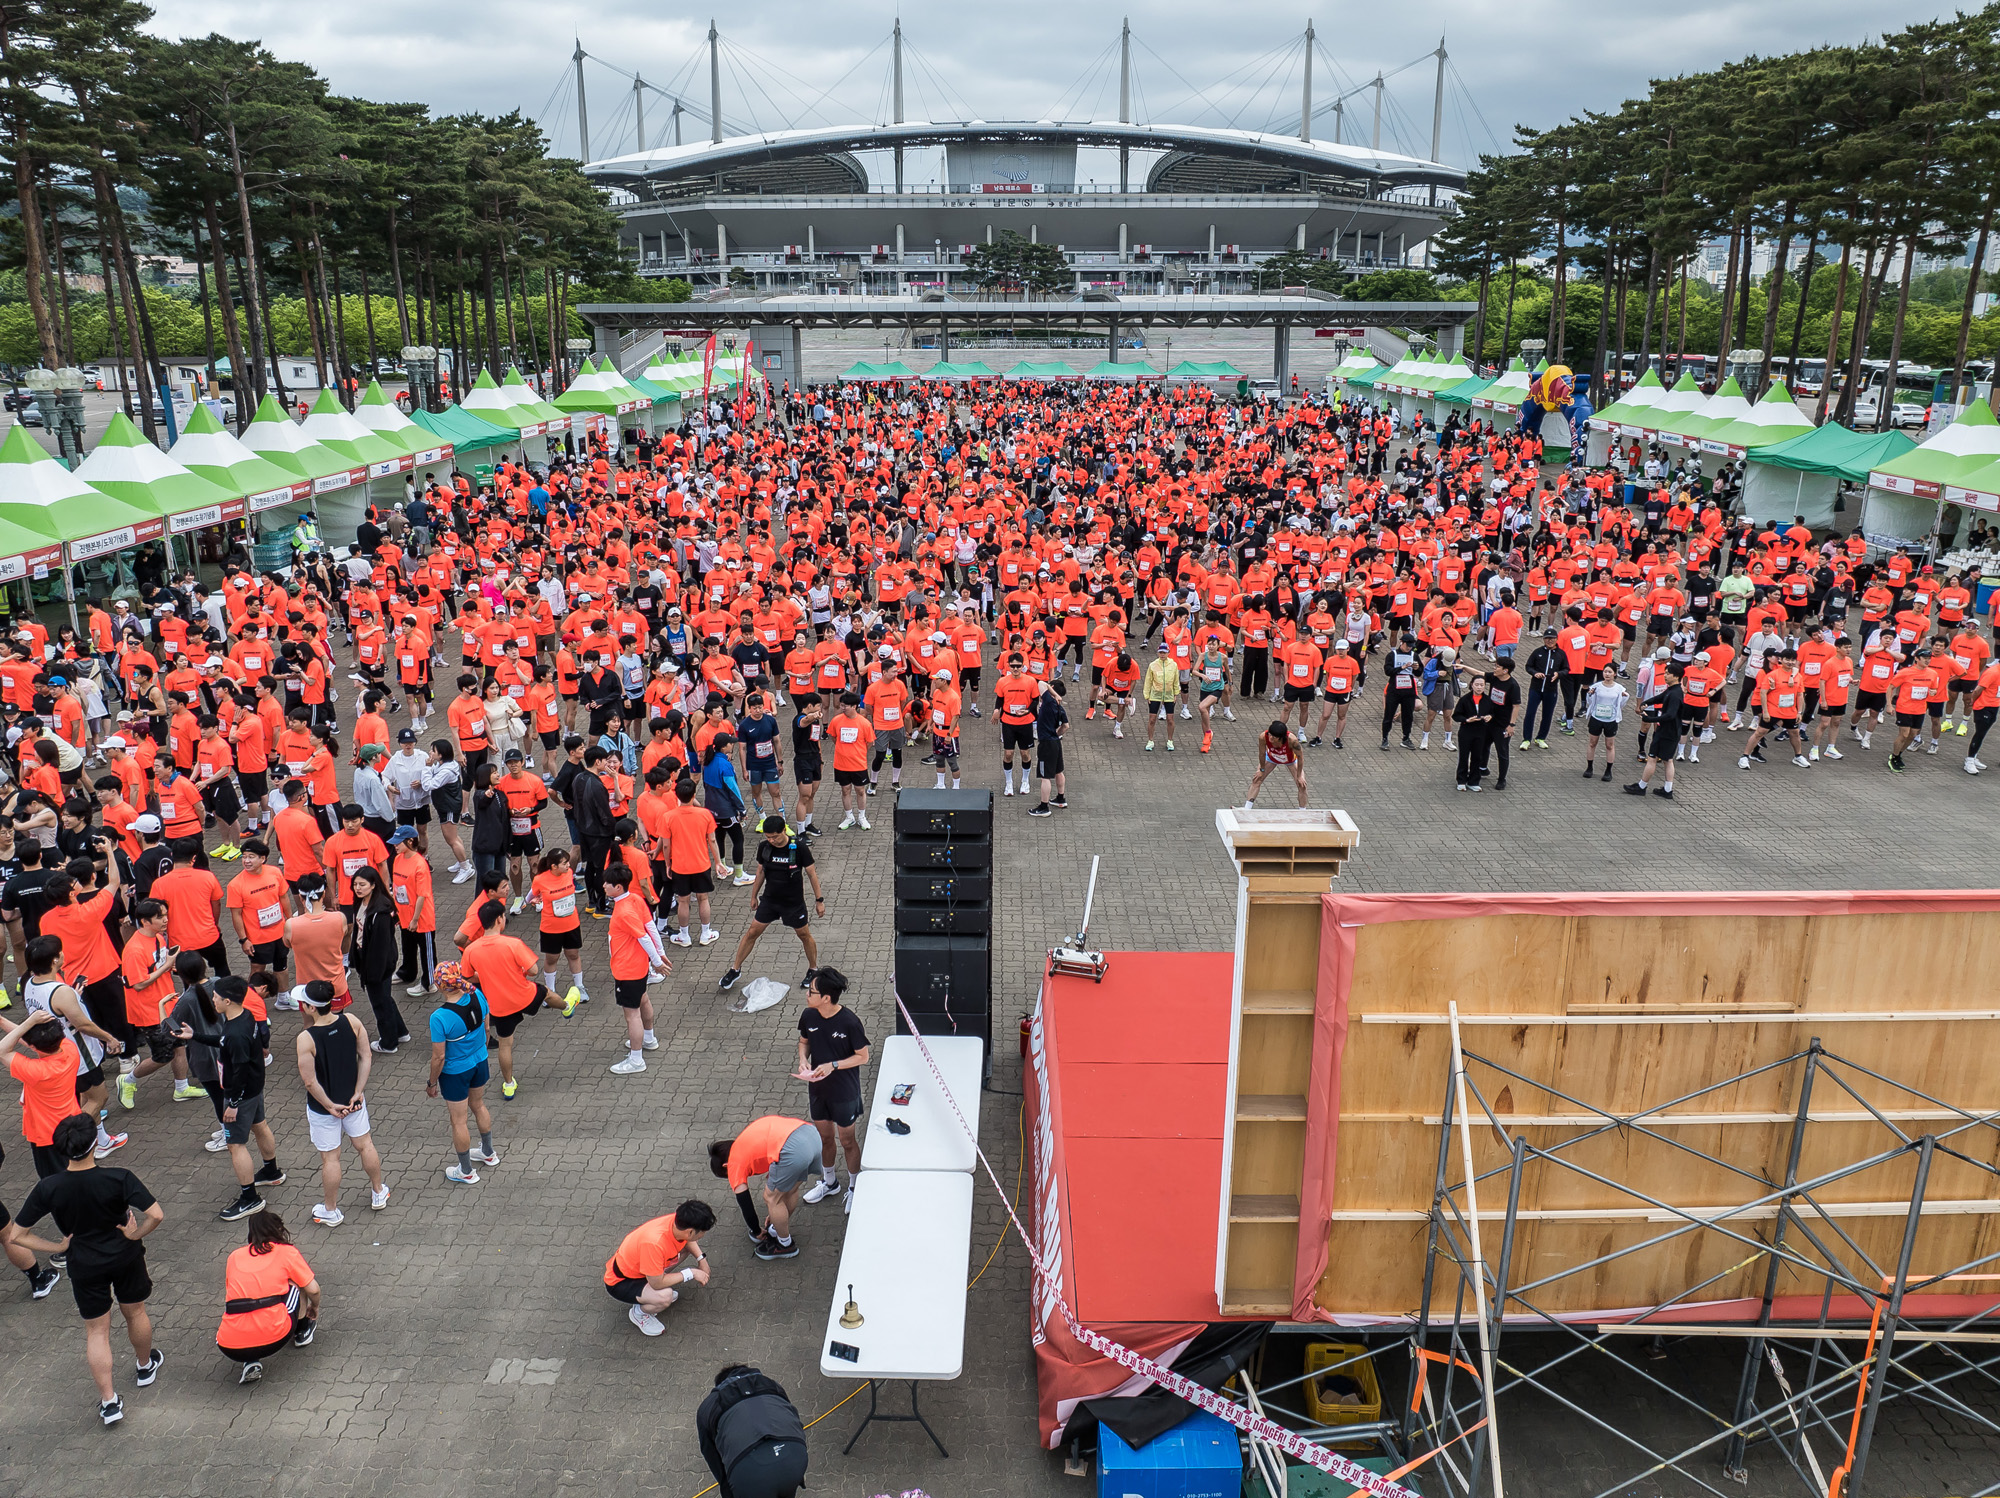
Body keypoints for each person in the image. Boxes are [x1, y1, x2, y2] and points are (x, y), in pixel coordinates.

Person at [2, 1112, 165, 1426]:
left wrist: (59, 1247)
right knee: (136, 1312)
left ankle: (109, 1401)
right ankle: (145, 1366)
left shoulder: (49, 1187)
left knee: (97, 1331)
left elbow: (16, 1234)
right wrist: (134, 1234)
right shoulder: (119, 1177)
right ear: (94, 1145)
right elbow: (156, 1215)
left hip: (83, 1263)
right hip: (125, 1256)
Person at [459, 900, 571, 1100]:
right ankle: (566, 1007)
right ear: (499, 920)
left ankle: (509, 1084)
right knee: (545, 992)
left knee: (505, 1044)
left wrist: (484, 976)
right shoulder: (513, 944)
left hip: (498, 1006)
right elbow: (534, 970)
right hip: (524, 995)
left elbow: (467, 977)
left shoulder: (471, 950)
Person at [716, 816, 825, 993]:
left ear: (784, 831)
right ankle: (735, 970)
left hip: (793, 902)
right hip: (770, 900)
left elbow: (812, 874)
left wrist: (819, 901)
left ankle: (813, 969)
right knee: (752, 932)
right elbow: (760, 871)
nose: (771, 840)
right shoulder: (764, 847)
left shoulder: (799, 847)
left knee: (804, 935)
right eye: (768, 837)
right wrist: (754, 896)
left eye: (774, 836)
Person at [215, 1210, 321, 1385]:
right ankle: (302, 1331)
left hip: (228, 1345)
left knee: (243, 1301)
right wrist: (314, 1307)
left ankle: (250, 1362)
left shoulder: (234, 1256)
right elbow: (314, 1290)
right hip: (274, 1338)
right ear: (279, 1229)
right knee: (298, 1284)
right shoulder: (286, 1252)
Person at [794, 969, 867, 1214]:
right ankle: (829, 1182)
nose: (807, 994)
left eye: (812, 991)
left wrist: (833, 1065)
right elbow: (804, 1042)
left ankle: (855, 1187)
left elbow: (862, 1057)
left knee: (847, 1141)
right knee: (825, 1139)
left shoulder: (849, 1022)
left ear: (826, 997)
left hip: (844, 1092)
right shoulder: (809, 1015)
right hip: (817, 1090)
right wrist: (803, 1060)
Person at [214, 975, 286, 1222]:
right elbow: (227, 1043)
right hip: (255, 1088)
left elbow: (239, 1068)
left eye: (215, 996)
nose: (212, 999)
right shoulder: (245, 1017)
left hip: (240, 1095)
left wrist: (233, 1103)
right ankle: (271, 1170)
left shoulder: (235, 1032)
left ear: (227, 1000)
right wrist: (195, 1036)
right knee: (259, 1125)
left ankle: (250, 1198)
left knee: (235, 1144)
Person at [708, 1114, 821, 1259]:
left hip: (793, 1150)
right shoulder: (745, 1139)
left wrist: (756, 1230)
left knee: (771, 1198)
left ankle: (785, 1245)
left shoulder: (734, 1161)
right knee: (789, 1189)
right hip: (812, 1135)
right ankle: (776, 1227)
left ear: (726, 1166)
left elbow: (745, 1203)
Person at [602, 1199, 715, 1338]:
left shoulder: (676, 1222)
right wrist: (690, 1273)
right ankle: (639, 1313)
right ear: (690, 1231)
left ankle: (649, 1295)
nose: (702, 1235)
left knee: (686, 1250)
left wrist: (701, 1259)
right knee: (665, 1297)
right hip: (622, 1282)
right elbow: (657, 1283)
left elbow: (689, 1241)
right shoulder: (654, 1243)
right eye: (702, 1232)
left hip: (644, 1269)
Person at [696, 1364, 809, 1498]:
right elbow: (791, 1418)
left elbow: (713, 1459)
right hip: (794, 1456)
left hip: (750, 1473)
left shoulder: (708, 1406)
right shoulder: (772, 1385)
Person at [604, 862, 667, 1074]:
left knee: (632, 1015)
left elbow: (643, 937)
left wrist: (658, 962)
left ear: (618, 887)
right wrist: (660, 954)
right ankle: (649, 1039)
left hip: (627, 969)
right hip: (639, 967)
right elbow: (651, 927)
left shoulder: (623, 911)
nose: (604, 886)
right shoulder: (637, 899)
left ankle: (636, 1060)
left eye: (607, 883)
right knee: (643, 999)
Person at [345, 866, 408, 1048]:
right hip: (368, 961)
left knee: (380, 1003)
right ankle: (401, 1032)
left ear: (373, 885)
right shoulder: (362, 902)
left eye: (362, 885)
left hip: (377, 965)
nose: (357, 888)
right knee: (385, 998)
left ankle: (389, 1043)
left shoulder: (380, 911)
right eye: (355, 884)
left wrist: (372, 974)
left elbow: (380, 948)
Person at [1581, 665, 1629, 783]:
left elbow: (1621, 704)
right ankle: (1589, 767)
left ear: (1614, 674)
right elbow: (1590, 701)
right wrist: (1590, 694)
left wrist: (1624, 697)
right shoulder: (1596, 687)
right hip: (1596, 718)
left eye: (1610, 672)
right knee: (1592, 743)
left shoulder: (1619, 688)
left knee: (1609, 745)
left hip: (1611, 720)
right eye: (1605, 672)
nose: (1607, 674)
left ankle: (1608, 770)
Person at [1029, 678, 1068, 817]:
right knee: (1059, 771)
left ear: (1051, 687)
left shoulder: (1048, 701)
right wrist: (1056, 734)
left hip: (1046, 743)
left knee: (1045, 776)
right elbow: (1065, 726)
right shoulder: (1059, 707)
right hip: (1056, 742)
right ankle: (1060, 798)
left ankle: (1044, 807)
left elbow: (1040, 683)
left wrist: (1054, 693)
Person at [1245, 720, 1307, 808]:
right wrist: (1261, 769)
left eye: (1273, 737)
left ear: (1280, 737)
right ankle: (1247, 808)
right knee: (1257, 779)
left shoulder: (1292, 740)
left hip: (1290, 760)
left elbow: (1300, 757)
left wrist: (1299, 775)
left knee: (1302, 785)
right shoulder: (1263, 736)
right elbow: (1262, 753)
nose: (1270, 738)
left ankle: (1303, 811)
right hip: (1271, 758)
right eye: (1270, 734)